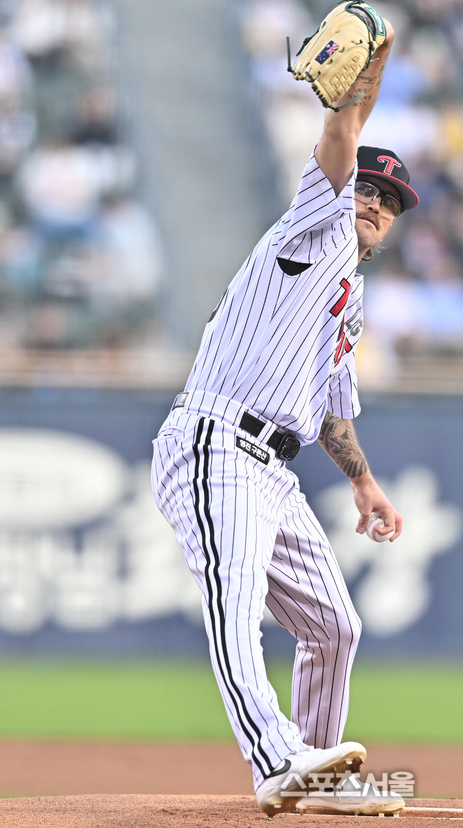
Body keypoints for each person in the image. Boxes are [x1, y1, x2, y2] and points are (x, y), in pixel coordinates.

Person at [151, 14, 419, 819]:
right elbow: (342, 134)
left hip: (275, 466)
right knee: (235, 602)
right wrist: (368, 69)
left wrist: (364, 484)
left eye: (391, 201)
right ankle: (275, 759)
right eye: (369, 188)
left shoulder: (349, 297)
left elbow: (332, 409)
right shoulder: (315, 228)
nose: (375, 203)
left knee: (334, 625)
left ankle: (318, 776)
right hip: (217, 440)